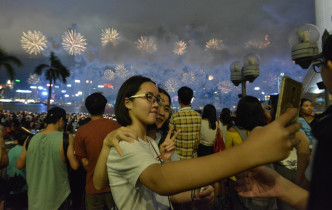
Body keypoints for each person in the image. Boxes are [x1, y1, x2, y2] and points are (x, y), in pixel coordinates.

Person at [99, 75, 301, 209]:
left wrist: (195, 193)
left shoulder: (150, 143)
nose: (156, 105)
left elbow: (162, 194)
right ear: (127, 102)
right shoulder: (125, 142)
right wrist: (250, 152)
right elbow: (159, 180)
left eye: (158, 100)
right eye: (149, 97)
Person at [235, 33, 332, 210]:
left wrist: (303, 150)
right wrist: (282, 187)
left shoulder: (327, 131)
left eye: (319, 65)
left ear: (330, 66)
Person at [16, 107, 80, 210]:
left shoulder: (30, 139)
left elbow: (19, 165)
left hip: (35, 198)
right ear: (60, 120)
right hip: (59, 197)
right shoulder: (66, 138)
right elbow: (75, 165)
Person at [225, 95, 277, 210]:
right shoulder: (266, 131)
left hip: (238, 179)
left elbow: (227, 157)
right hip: (264, 176)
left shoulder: (232, 131)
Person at [74, 92, 120, 210]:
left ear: (88, 108)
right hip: (115, 187)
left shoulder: (82, 131)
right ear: (104, 107)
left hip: (92, 186)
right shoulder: (117, 127)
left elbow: (84, 163)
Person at [169, 86, 202, 160]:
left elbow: (170, 137)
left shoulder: (175, 117)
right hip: (193, 158)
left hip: (177, 158)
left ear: (179, 99)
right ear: (191, 99)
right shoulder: (198, 116)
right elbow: (198, 139)